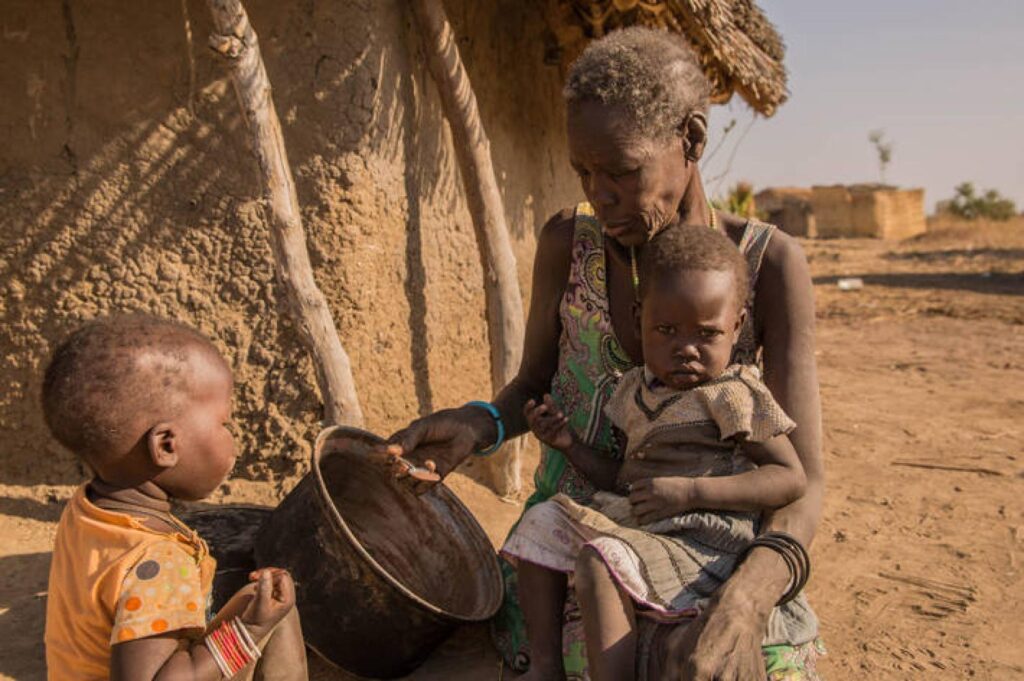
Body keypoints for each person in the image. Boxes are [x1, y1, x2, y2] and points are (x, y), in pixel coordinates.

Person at [382, 26, 825, 681]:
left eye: (621, 171)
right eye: (585, 173)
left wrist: (747, 600)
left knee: (728, 658)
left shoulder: (767, 265)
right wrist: (481, 423)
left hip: (707, 549)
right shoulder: (569, 243)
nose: (601, 194)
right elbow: (531, 385)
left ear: (692, 140)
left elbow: (803, 481)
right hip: (575, 545)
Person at [502, 223, 817, 680]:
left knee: (599, 560)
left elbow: (790, 478)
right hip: (642, 527)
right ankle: (545, 666)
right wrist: (568, 444)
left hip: (702, 545)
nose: (685, 349)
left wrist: (691, 492)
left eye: (706, 334)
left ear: (738, 326)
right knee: (540, 521)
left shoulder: (732, 395)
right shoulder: (634, 392)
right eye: (666, 330)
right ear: (637, 319)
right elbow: (625, 481)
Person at [42, 315, 308, 681]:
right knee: (264, 617)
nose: (232, 440)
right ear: (166, 445)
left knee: (263, 601)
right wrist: (249, 633)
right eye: (223, 424)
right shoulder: (160, 563)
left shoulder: (89, 511)